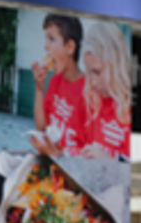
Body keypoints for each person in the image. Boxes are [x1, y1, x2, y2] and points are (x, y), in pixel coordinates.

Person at [30, 14, 85, 157]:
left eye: (51, 39)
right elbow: (41, 128)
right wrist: (39, 88)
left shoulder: (89, 92)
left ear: (70, 47)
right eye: (46, 39)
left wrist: (56, 154)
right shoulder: (55, 81)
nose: (46, 46)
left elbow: (88, 155)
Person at [80, 22, 131, 161]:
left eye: (97, 72)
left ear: (116, 64)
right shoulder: (95, 101)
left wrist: (108, 161)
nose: (93, 82)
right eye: (89, 73)